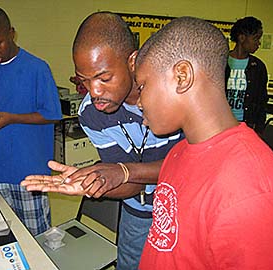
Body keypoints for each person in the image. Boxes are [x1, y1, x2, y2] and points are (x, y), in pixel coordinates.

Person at [21, 11, 182, 269]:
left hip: (186, 211)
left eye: (104, 78)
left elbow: (188, 168)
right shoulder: (90, 113)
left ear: (133, 61)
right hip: (138, 213)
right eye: (84, 80)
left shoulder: (173, 96)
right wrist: (96, 183)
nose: (94, 92)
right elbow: (130, 184)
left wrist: (125, 171)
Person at [134, 16, 273, 269]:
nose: (139, 101)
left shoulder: (252, 188)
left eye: (143, 85)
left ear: (182, 76)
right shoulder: (179, 152)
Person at [0, 7, 62, 237]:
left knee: (35, 236)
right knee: (4, 234)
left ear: (12, 33)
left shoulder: (37, 68)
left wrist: (12, 118)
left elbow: (52, 114)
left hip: (29, 170)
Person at [225, 16, 268, 135]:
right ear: (242, 38)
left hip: (246, 126)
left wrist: (258, 131)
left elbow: (262, 101)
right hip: (221, 125)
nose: (258, 43)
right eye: (255, 38)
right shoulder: (221, 63)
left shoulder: (258, 67)